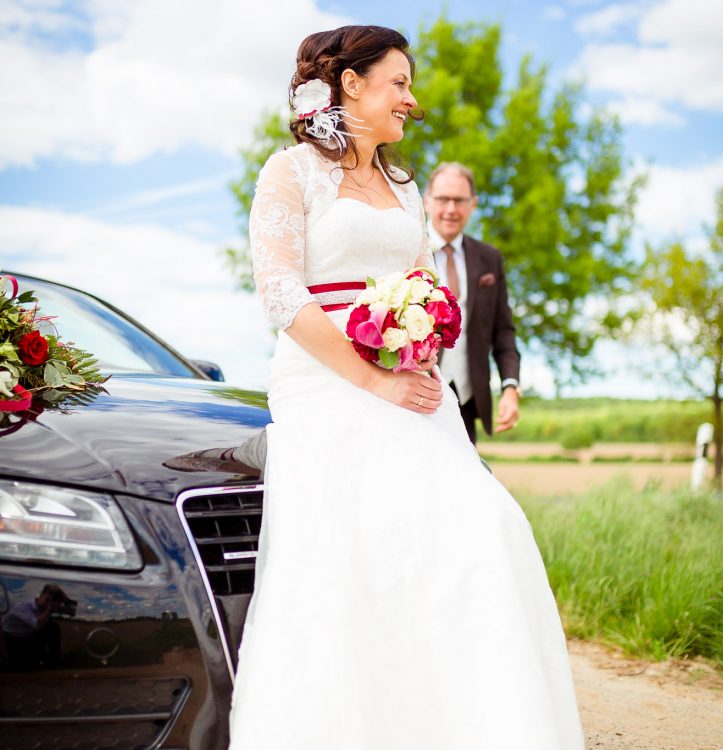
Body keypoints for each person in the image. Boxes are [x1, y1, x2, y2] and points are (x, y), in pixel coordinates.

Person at [230, 25, 584, 749]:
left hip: (411, 389)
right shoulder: (289, 172)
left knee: (483, 530)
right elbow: (277, 293)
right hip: (323, 385)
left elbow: (422, 282)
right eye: (399, 82)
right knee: (354, 562)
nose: (411, 99)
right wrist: (368, 377)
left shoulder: (403, 184)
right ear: (350, 83)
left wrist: (418, 345)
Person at [424, 162, 521, 444]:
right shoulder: (406, 250)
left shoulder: (489, 259)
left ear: (473, 204)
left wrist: (510, 386)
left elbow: (503, 330)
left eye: (459, 200)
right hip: (414, 398)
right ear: (427, 201)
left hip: (468, 399)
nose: (451, 209)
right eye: (443, 199)